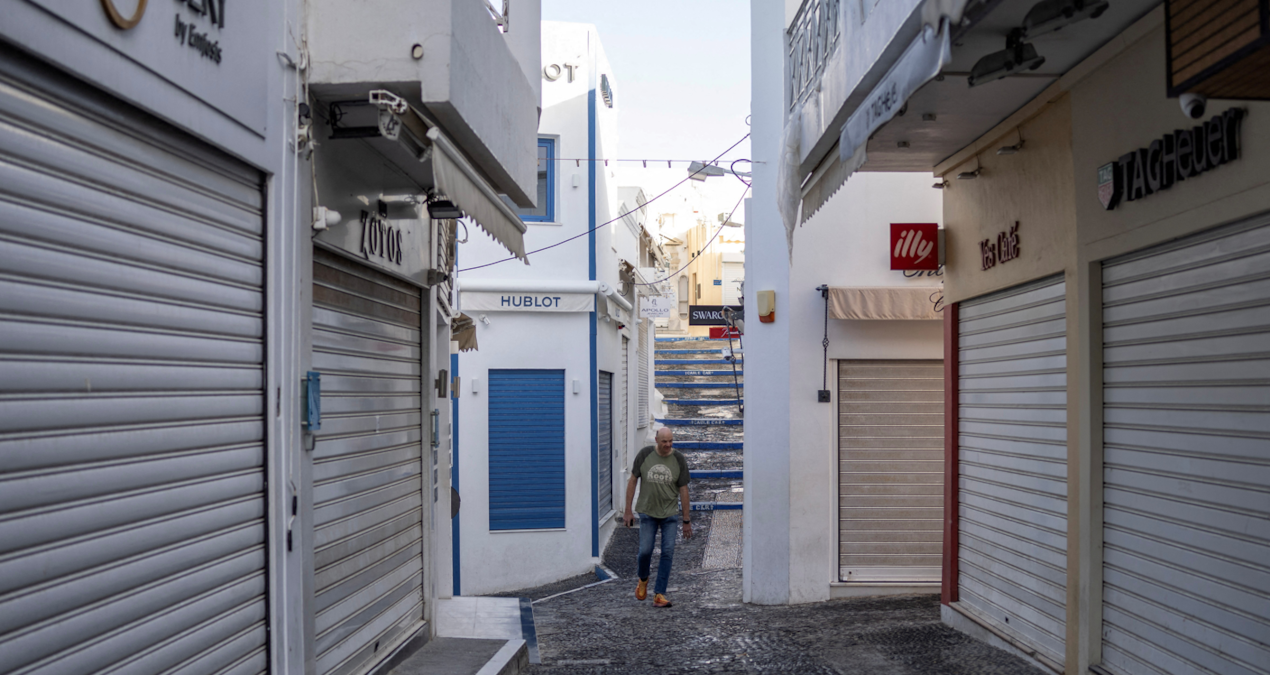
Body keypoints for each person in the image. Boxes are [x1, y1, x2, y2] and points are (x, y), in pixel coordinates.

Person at [623, 427, 692, 608]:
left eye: (671, 441)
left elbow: (684, 489)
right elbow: (633, 480)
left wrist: (686, 519)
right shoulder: (645, 455)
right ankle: (643, 578)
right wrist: (628, 510)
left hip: (670, 514)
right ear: (656, 440)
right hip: (647, 512)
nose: (668, 445)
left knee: (667, 552)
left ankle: (659, 594)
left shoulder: (678, 459)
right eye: (664, 441)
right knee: (645, 551)